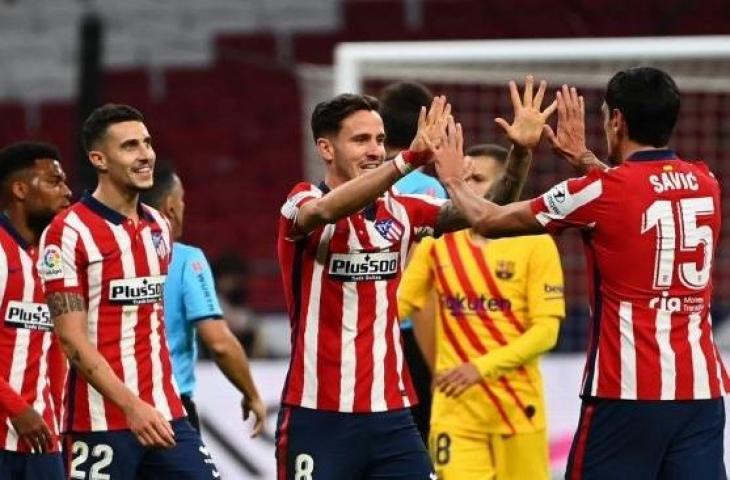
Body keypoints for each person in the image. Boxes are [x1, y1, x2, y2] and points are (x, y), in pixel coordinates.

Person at [432, 67, 728, 479]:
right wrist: (586, 159)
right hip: (701, 391)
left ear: (617, 121)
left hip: (626, 392)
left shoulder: (598, 191)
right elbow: (641, 193)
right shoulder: (705, 182)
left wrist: (452, 179)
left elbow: (487, 220)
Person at [275, 76, 557, 480]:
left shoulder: (405, 211)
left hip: (392, 415)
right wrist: (406, 160)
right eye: (360, 140)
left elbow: (488, 214)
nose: (375, 150)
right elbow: (321, 213)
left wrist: (521, 153)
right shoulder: (301, 201)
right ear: (325, 148)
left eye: (380, 139)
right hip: (319, 413)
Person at [38, 104, 220, 479]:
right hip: (99, 424)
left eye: (147, 143)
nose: (145, 155)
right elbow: (71, 342)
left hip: (165, 413)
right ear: (99, 159)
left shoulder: (158, 226)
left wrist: (148, 406)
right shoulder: (66, 233)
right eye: (130, 147)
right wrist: (131, 406)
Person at [398, 143, 564, 480]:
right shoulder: (437, 242)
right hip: (455, 413)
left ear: (506, 184)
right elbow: (396, 307)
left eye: (477, 179)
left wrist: (479, 368)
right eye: (461, 179)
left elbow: (546, 332)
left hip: (517, 410)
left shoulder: (535, 241)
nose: (465, 188)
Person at [139, 161, 266, 435]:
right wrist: (251, 392)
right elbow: (219, 342)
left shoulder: (106, 256)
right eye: (182, 199)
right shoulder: (185, 260)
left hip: (113, 409)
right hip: (169, 410)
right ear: (171, 207)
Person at [379, 80, 447, 443]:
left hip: (370, 328)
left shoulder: (363, 182)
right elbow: (427, 275)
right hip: (410, 331)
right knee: (416, 439)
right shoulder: (429, 190)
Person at [0, 141, 71, 479]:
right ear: (20, 189)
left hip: (44, 438)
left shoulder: (54, 258)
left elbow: (57, 344)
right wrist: (17, 409)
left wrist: (58, 419)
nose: (68, 192)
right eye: (55, 182)